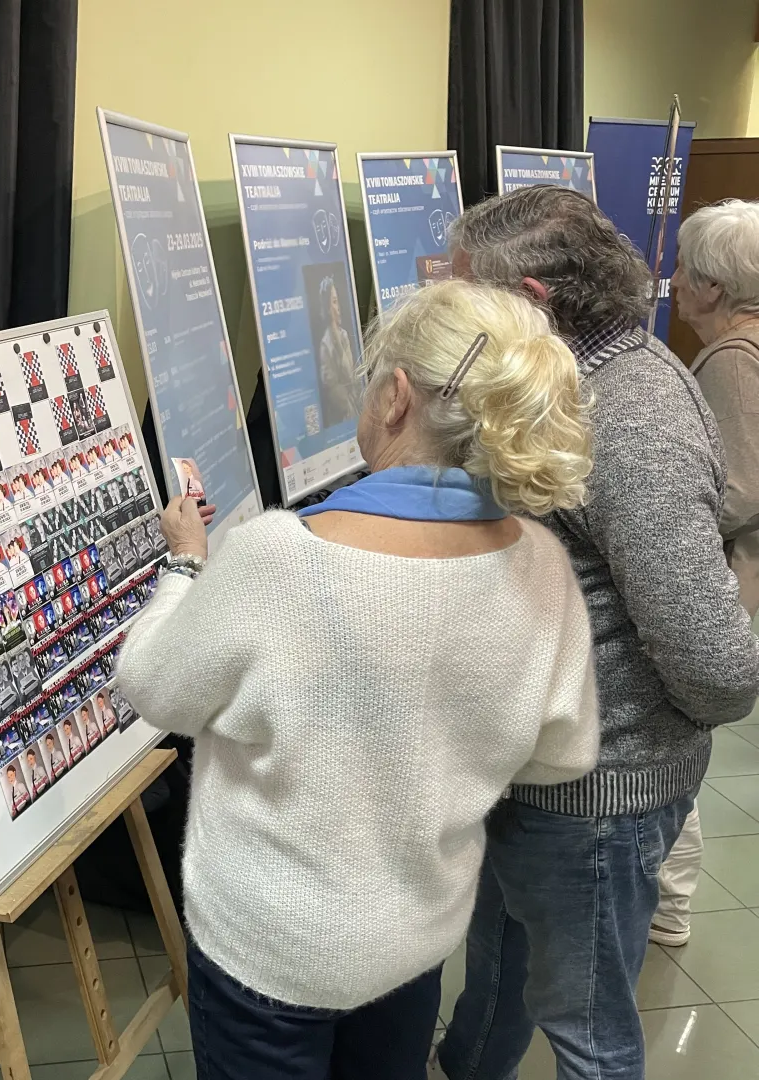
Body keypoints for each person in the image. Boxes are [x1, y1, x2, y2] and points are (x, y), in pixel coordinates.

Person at [116, 278, 601, 1080]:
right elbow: (562, 753)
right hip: (413, 936)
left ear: (397, 397)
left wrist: (183, 566)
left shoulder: (280, 556)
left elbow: (153, 687)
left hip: (270, 947)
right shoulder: (541, 566)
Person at [438, 186, 759, 1080]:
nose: (455, 318)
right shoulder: (565, 381)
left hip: (597, 794)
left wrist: (634, 737)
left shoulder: (628, 412)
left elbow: (717, 663)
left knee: (587, 1033)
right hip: (539, 770)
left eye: (466, 294)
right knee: (498, 973)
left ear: (532, 300)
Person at [646, 199, 759, 948]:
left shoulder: (733, 360)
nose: (674, 280)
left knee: (673, 739)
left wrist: (654, 515)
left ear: (715, 287)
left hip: (728, 578)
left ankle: (669, 902)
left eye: (685, 268)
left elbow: (740, 489)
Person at [316, 275, 362, 427]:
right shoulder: (325, 345)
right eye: (334, 302)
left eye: (338, 301)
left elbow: (352, 373)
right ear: (328, 308)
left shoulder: (344, 335)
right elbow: (332, 388)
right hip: (342, 418)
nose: (338, 307)